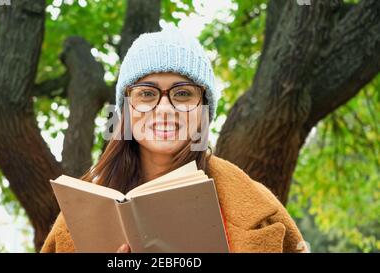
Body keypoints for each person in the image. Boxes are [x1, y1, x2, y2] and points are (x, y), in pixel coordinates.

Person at [40, 27, 308, 253]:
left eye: (182, 94)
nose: (165, 108)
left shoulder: (262, 208)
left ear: (204, 108)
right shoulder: (74, 218)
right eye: (146, 94)